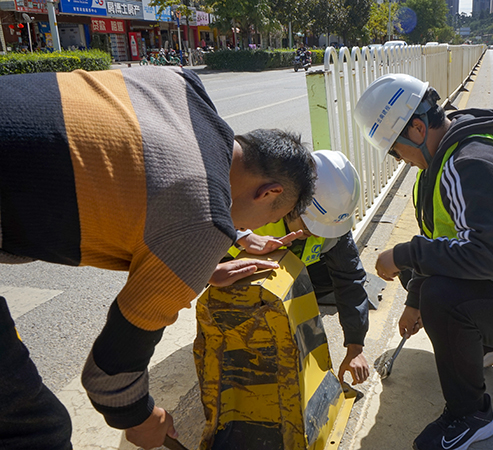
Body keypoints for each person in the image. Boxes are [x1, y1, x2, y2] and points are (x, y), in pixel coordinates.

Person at [0, 66, 316, 450]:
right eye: (271, 219)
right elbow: (109, 374)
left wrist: (207, 263)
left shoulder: (182, 85)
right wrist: (140, 417)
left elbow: (151, 185)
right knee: (35, 432)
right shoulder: (204, 224)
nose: (262, 228)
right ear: (269, 193)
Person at [354, 73, 493, 450]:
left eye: (395, 149)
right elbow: (444, 245)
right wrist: (413, 303)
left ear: (418, 128)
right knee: (423, 285)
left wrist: (403, 254)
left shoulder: (470, 165)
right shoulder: (441, 166)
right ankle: (479, 343)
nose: (398, 159)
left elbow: (484, 256)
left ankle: (471, 414)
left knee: (440, 295)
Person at [211, 150, 371, 385]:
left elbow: (350, 278)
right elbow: (207, 215)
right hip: (235, 269)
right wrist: (241, 235)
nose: (317, 234)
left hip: (295, 270)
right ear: (293, 200)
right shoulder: (253, 195)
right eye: (311, 226)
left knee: (330, 273)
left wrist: (355, 346)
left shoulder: (332, 220)